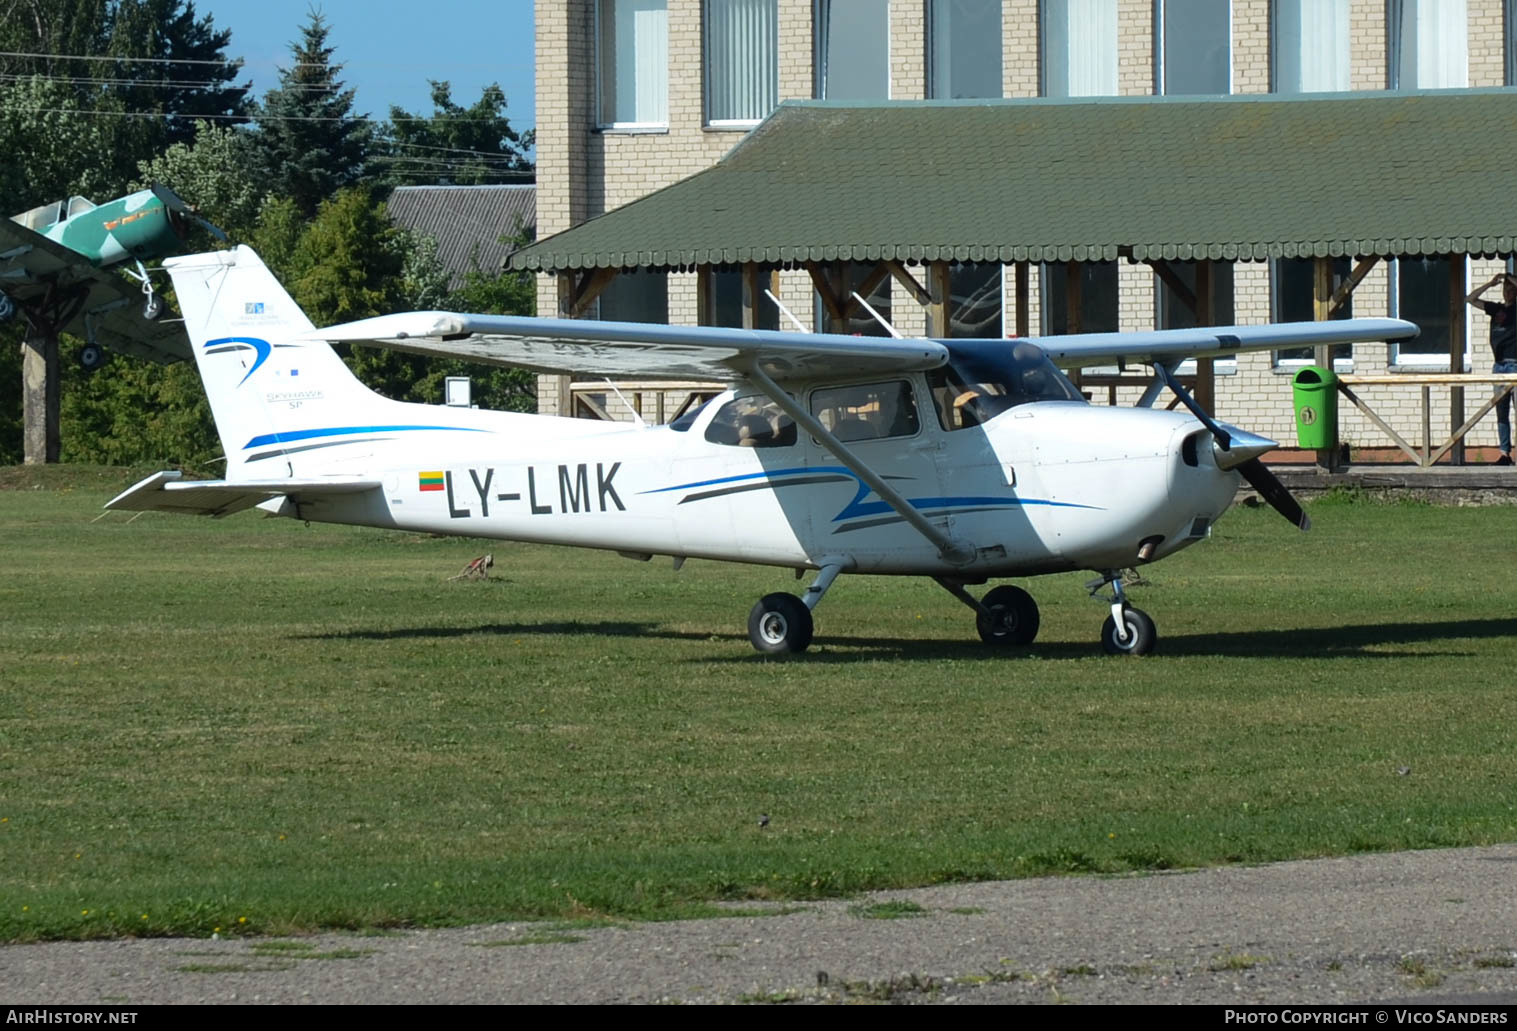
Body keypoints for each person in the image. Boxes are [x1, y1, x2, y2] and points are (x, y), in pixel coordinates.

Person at [1467, 272, 1517, 465]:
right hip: (1499, 366)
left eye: (1511, 289)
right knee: (1501, 412)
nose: (1508, 292)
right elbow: (1470, 299)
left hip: (1515, 365)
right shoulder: (1495, 309)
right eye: (1506, 289)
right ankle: (1505, 454)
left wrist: (1509, 277)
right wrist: (1490, 283)